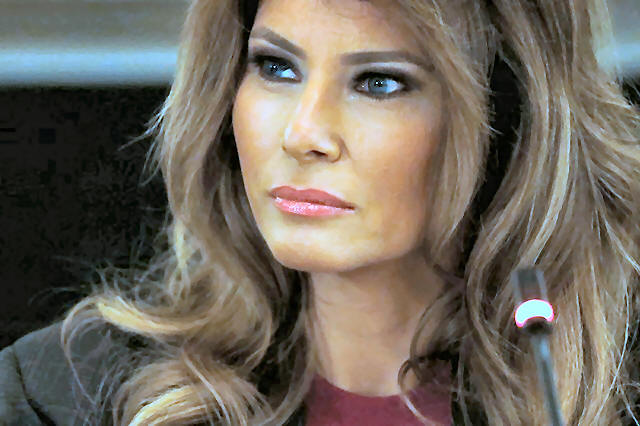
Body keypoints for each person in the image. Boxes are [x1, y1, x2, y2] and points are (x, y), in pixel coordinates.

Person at [1, 0, 639, 424]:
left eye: (379, 82)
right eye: (276, 67)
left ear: (511, 121)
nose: (303, 133)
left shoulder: (617, 395)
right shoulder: (61, 396)